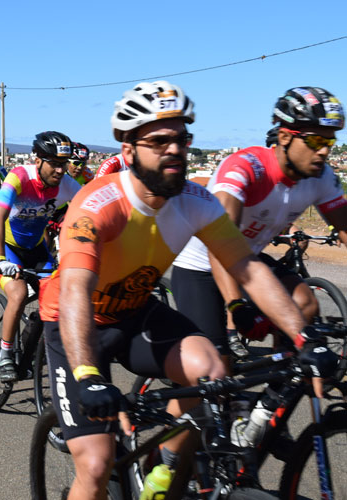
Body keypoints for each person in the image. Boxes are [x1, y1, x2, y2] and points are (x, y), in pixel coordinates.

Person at [38, 80, 337, 499]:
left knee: (212, 371)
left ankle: (161, 469)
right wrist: (87, 376)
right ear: (128, 150)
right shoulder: (97, 204)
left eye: (181, 138)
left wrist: (301, 336)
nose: (174, 149)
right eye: (159, 140)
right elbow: (73, 291)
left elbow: (246, 266)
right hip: (77, 324)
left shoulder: (196, 200)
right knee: (95, 464)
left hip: (136, 312)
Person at [172, 86, 347, 359]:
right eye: (315, 142)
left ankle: (278, 393)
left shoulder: (321, 177)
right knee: (215, 371)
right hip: (201, 265)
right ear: (285, 136)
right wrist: (236, 306)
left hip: (247, 261)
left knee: (305, 303)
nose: (324, 152)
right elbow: (220, 244)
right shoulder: (245, 168)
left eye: (329, 143)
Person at [0, 131, 82, 381]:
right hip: (8, 248)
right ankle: (5, 356)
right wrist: (0, 259)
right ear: (38, 160)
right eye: (54, 163)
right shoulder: (19, 177)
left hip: (36, 248)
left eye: (63, 164)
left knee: (56, 298)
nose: (60, 170)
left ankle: (30, 348)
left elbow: (90, 211)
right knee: (18, 294)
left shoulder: (67, 185)